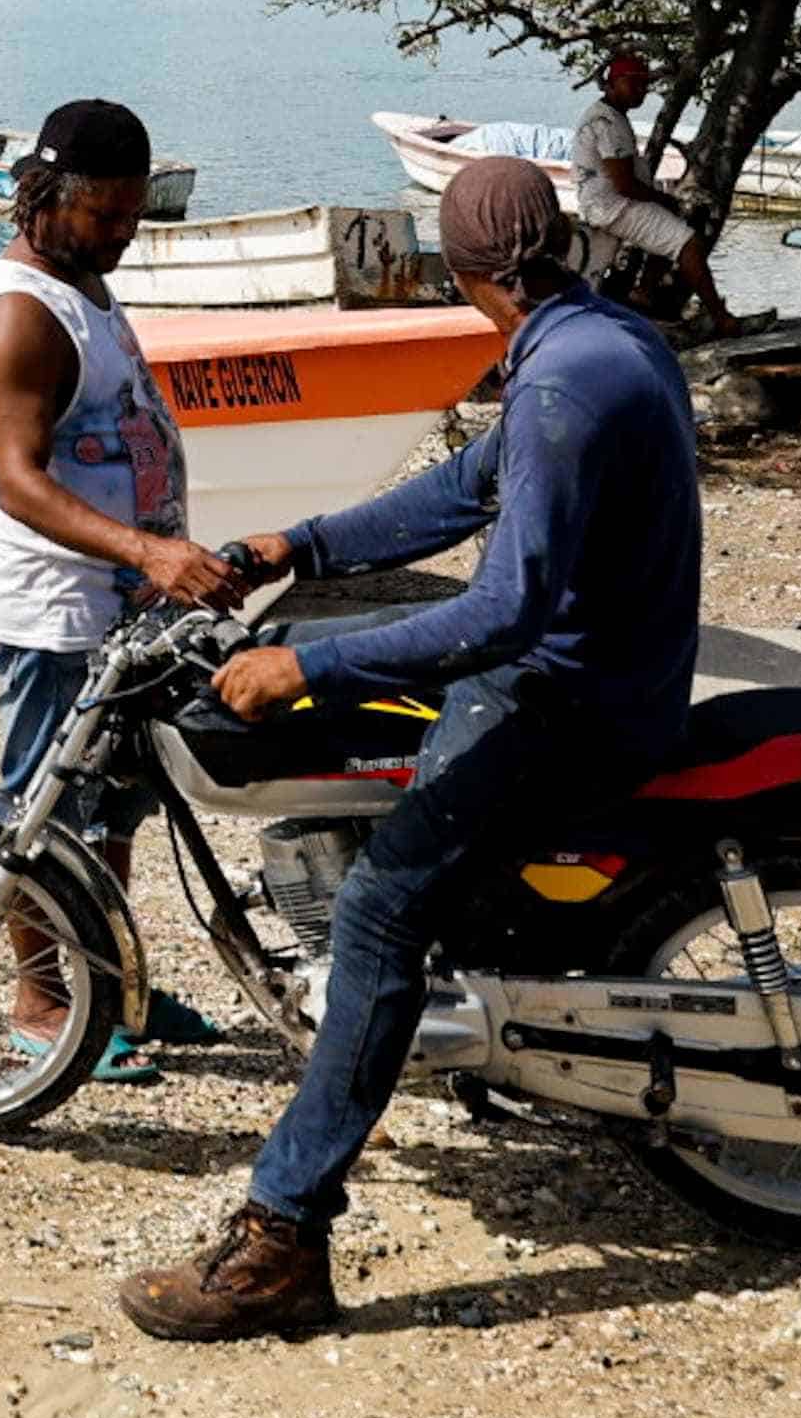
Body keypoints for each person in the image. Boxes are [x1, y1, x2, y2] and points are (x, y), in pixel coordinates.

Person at [114, 156, 700, 1342]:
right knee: (378, 750)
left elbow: (502, 613)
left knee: (383, 906)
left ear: (466, 270)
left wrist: (307, 661)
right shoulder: (598, 342)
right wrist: (304, 546)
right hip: (597, 672)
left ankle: (282, 1238)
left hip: (568, 696)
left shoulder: (560, 390)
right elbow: (459, 490)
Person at [0, 98, 225, 1081]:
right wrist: (148, 552)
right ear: (45, 195)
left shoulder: (86, 283)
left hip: (120, 611)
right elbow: (18, 482)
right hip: (52, 606)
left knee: (113, 807)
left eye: (133, 215)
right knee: (45, 810)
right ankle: (39, 1002)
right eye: (105, 217)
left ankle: (110, 988)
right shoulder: (21, 316)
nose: (122, 235)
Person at [571, 52, 754, 333]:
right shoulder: (608, 123)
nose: (641, 91)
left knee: (670, 221)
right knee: (688, 242)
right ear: (614, 83)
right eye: (634, 84)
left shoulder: (608, 115)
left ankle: (643, 292)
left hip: (606, 202)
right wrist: (663, 199)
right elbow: (625, 185)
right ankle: (721, 317)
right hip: (612, 206)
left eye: (644, 85)